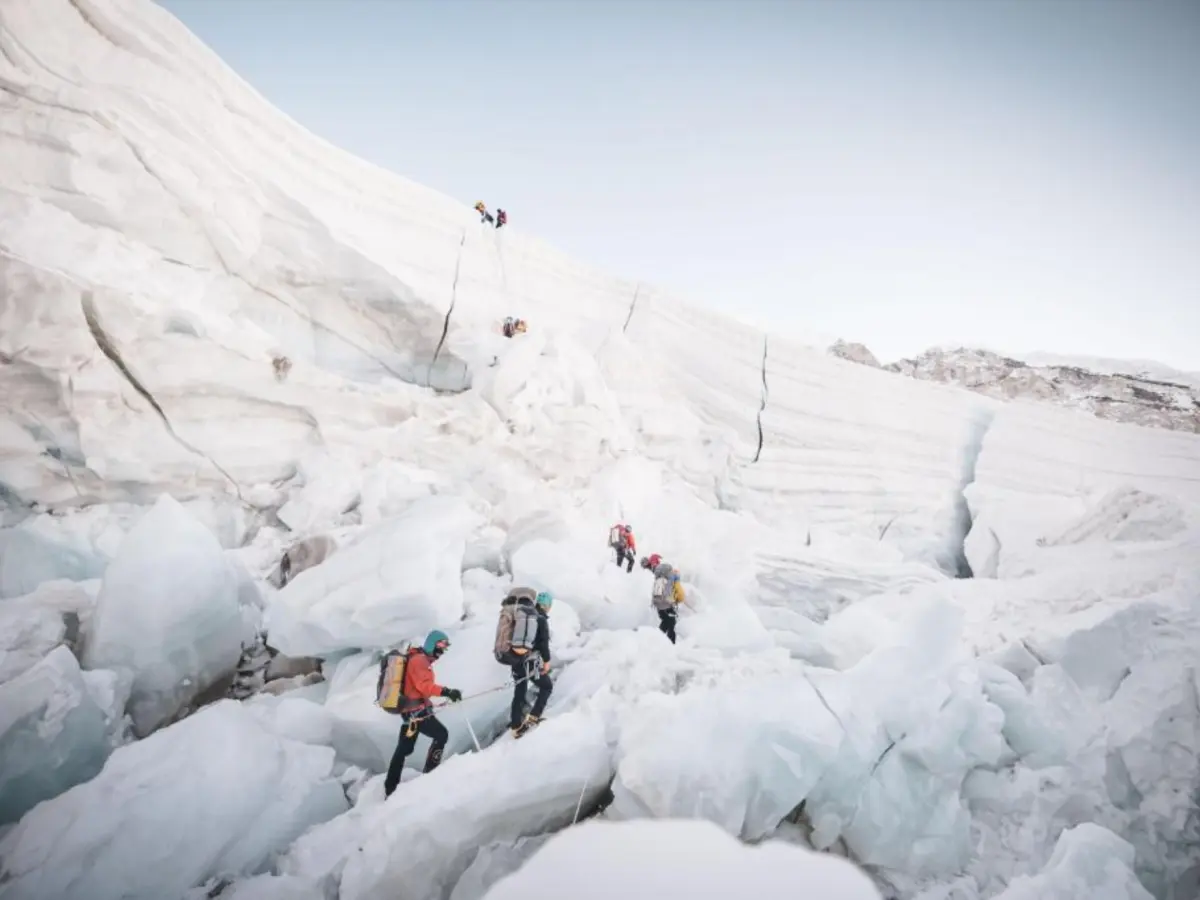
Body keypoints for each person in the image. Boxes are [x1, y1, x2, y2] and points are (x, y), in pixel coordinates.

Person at [382, 630, 463, 798]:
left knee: (404, 749)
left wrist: (430, 703)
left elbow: (417, 689)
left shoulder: (418, 659)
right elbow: (424, 686)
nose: (442, 651)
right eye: (440, 646)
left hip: (413, 712)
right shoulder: (419, 661)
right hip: (415, 713)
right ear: (432, 643)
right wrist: (447, 691)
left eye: (445, 647)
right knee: (441, 734)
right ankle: (430, 775)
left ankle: (390, 787)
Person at [496, 588, 554, 737]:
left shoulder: (523, 615)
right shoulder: (539, 619)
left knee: (520, 691)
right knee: (547, 686)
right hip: (530, 663)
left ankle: (516, 726)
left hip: (516, 660)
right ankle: (534, 716)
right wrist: (547, 662)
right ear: (547, 605)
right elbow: (543, 644)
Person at [640, 554, 684, 643]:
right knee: (672, 625)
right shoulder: (673, 578)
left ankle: (656, 641)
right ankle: (671, 645)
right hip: (668, 605)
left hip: (658, 605)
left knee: (665, 622)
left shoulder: (658, 578)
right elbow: (680, 594)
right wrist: (677, 600)